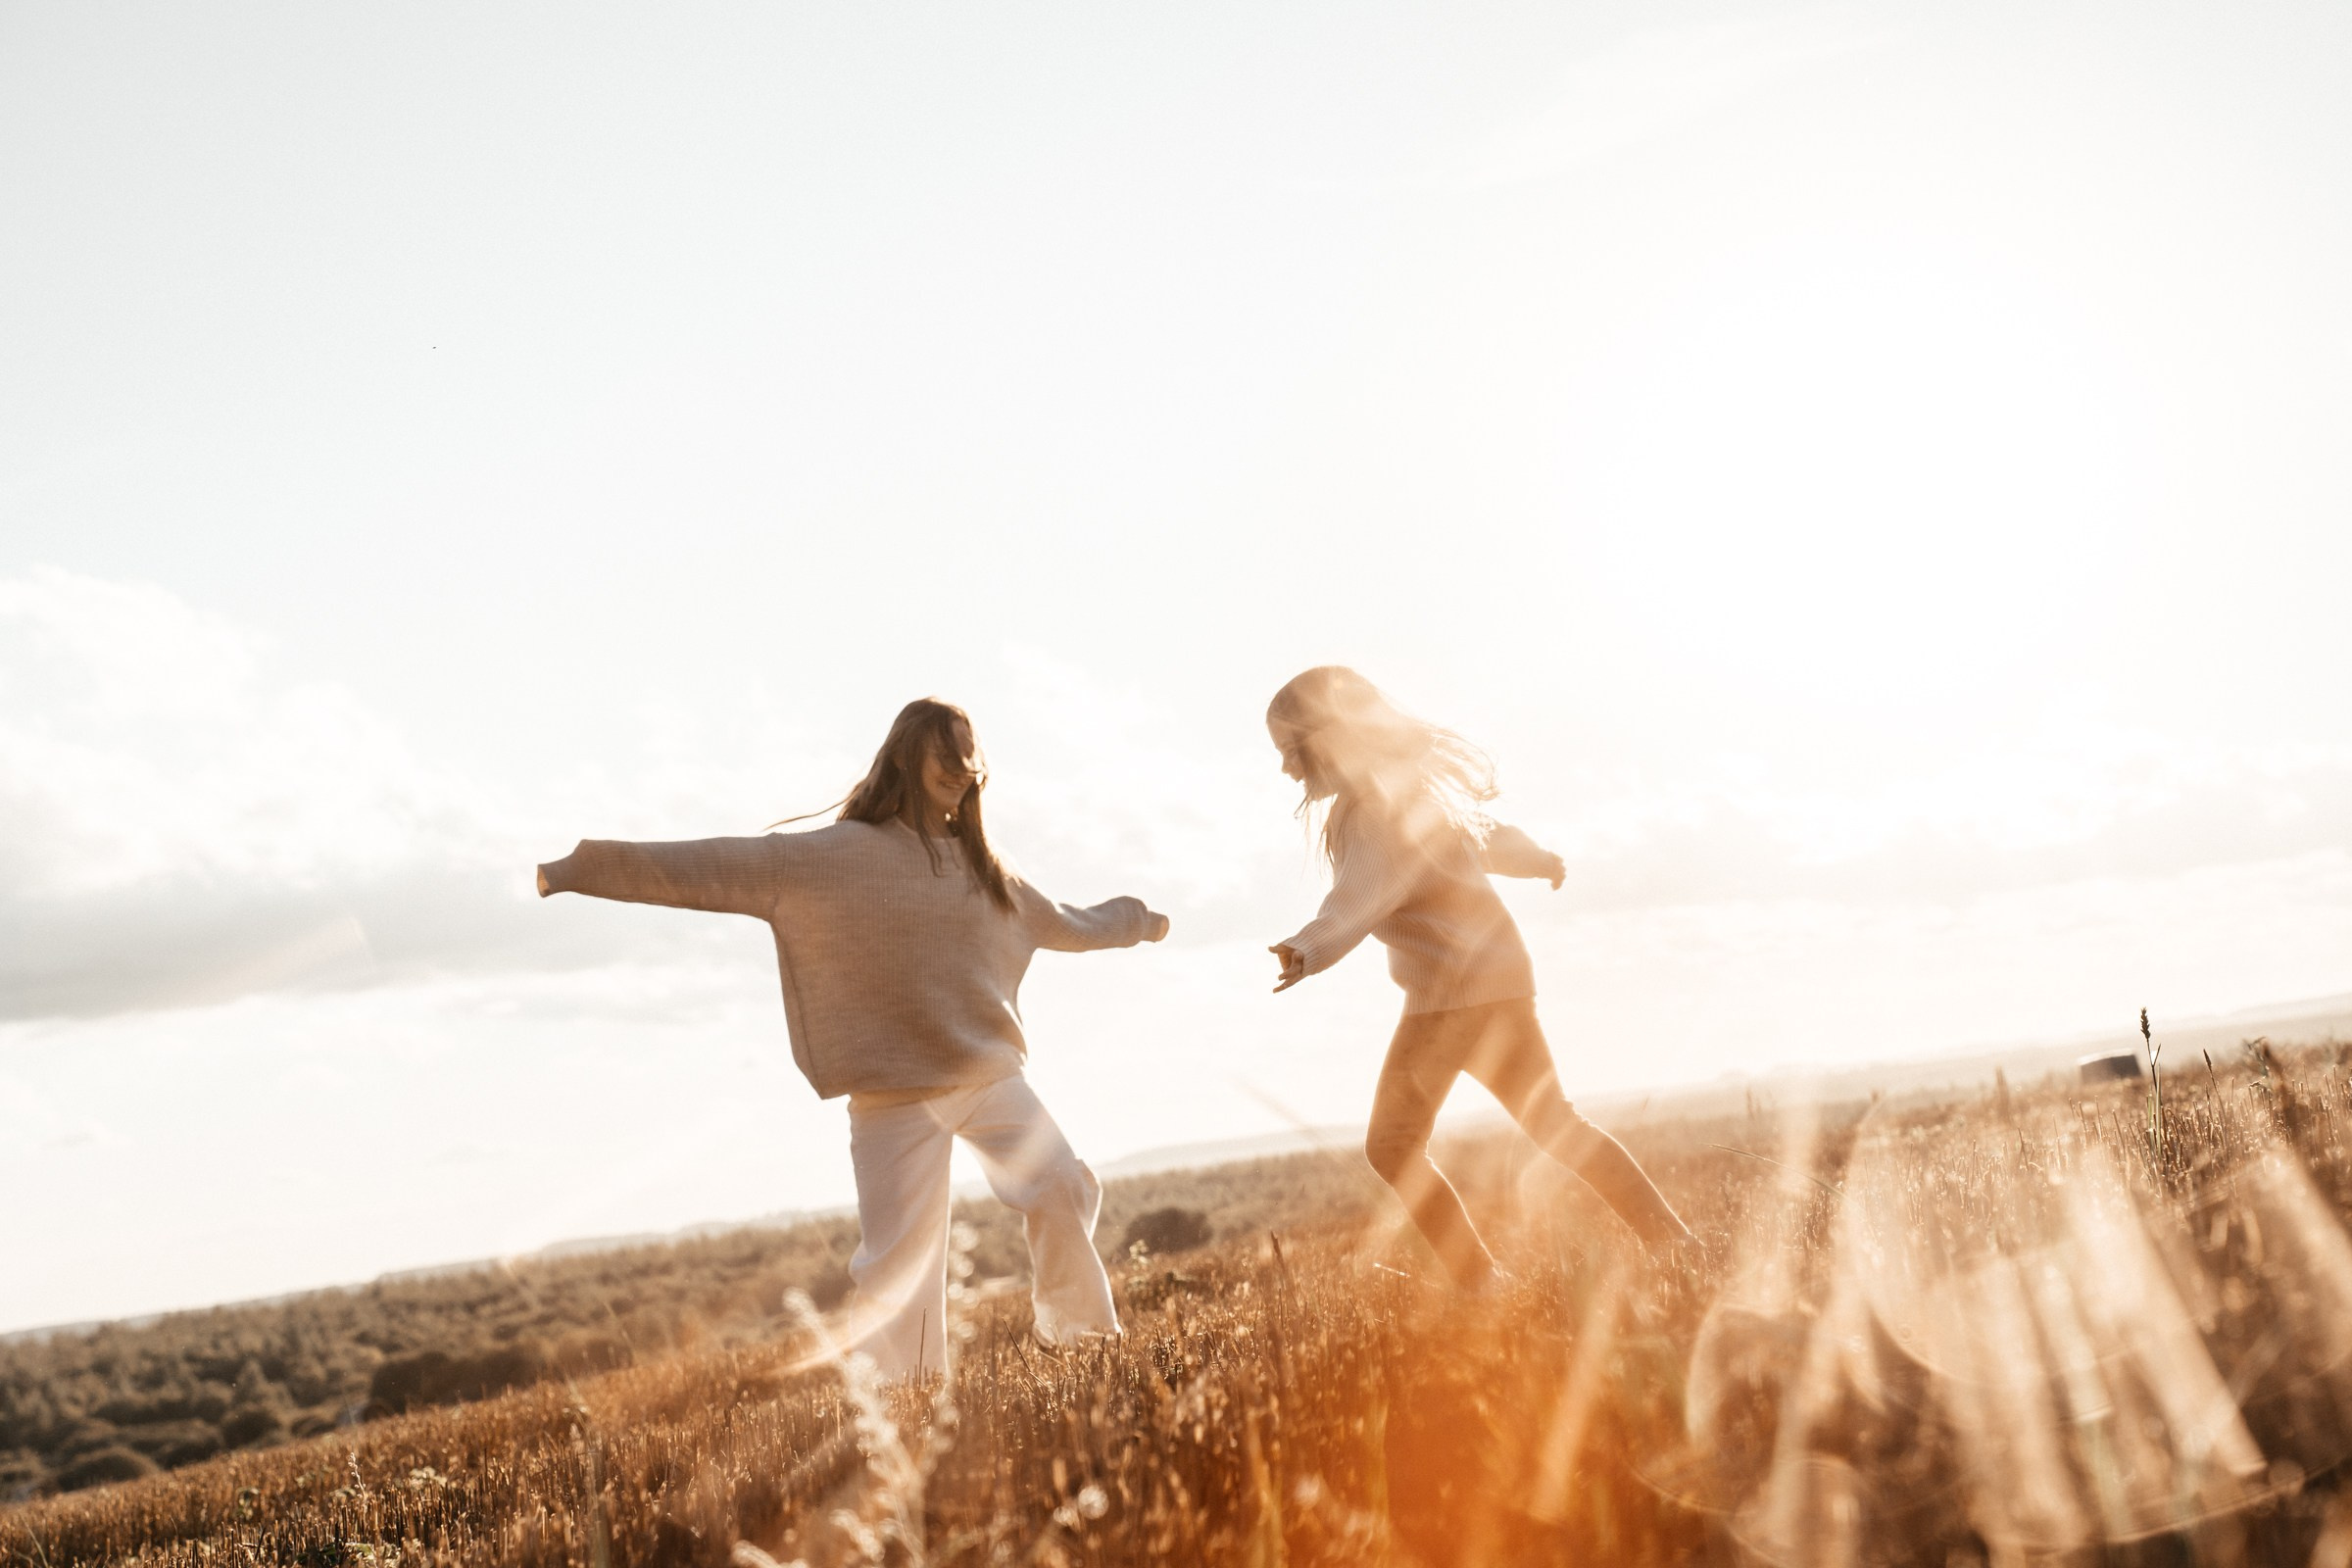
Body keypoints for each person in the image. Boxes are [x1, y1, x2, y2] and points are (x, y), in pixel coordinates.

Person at [535, 698, 1168, 1379]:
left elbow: (1071, 924)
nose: (961, 770)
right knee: (900, 1264)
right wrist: (578, 869)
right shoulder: (829, 860)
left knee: (1061, 1186)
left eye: (969, 758)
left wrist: (1140, 920)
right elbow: (705, 867)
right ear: (905, 755)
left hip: (987, 1078)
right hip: (891, 1095)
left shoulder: (989, 867)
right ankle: (911, 1394)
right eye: (945, 756)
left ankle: (1079, 1342)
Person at [1264, 666, 1691, 1289]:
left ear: (1328, 738)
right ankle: (1671, 1237)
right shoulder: (1408, 792)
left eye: (1289, 752)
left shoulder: (1371, 816)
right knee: (1556, 1124)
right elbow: (1482, 839)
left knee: (1393, 1147)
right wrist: (1538, 859)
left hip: (1450, 1002)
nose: (1286, 771)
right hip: (1498, 984)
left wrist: (1307, 949)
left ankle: (1483, 1284)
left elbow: (1359, 898)